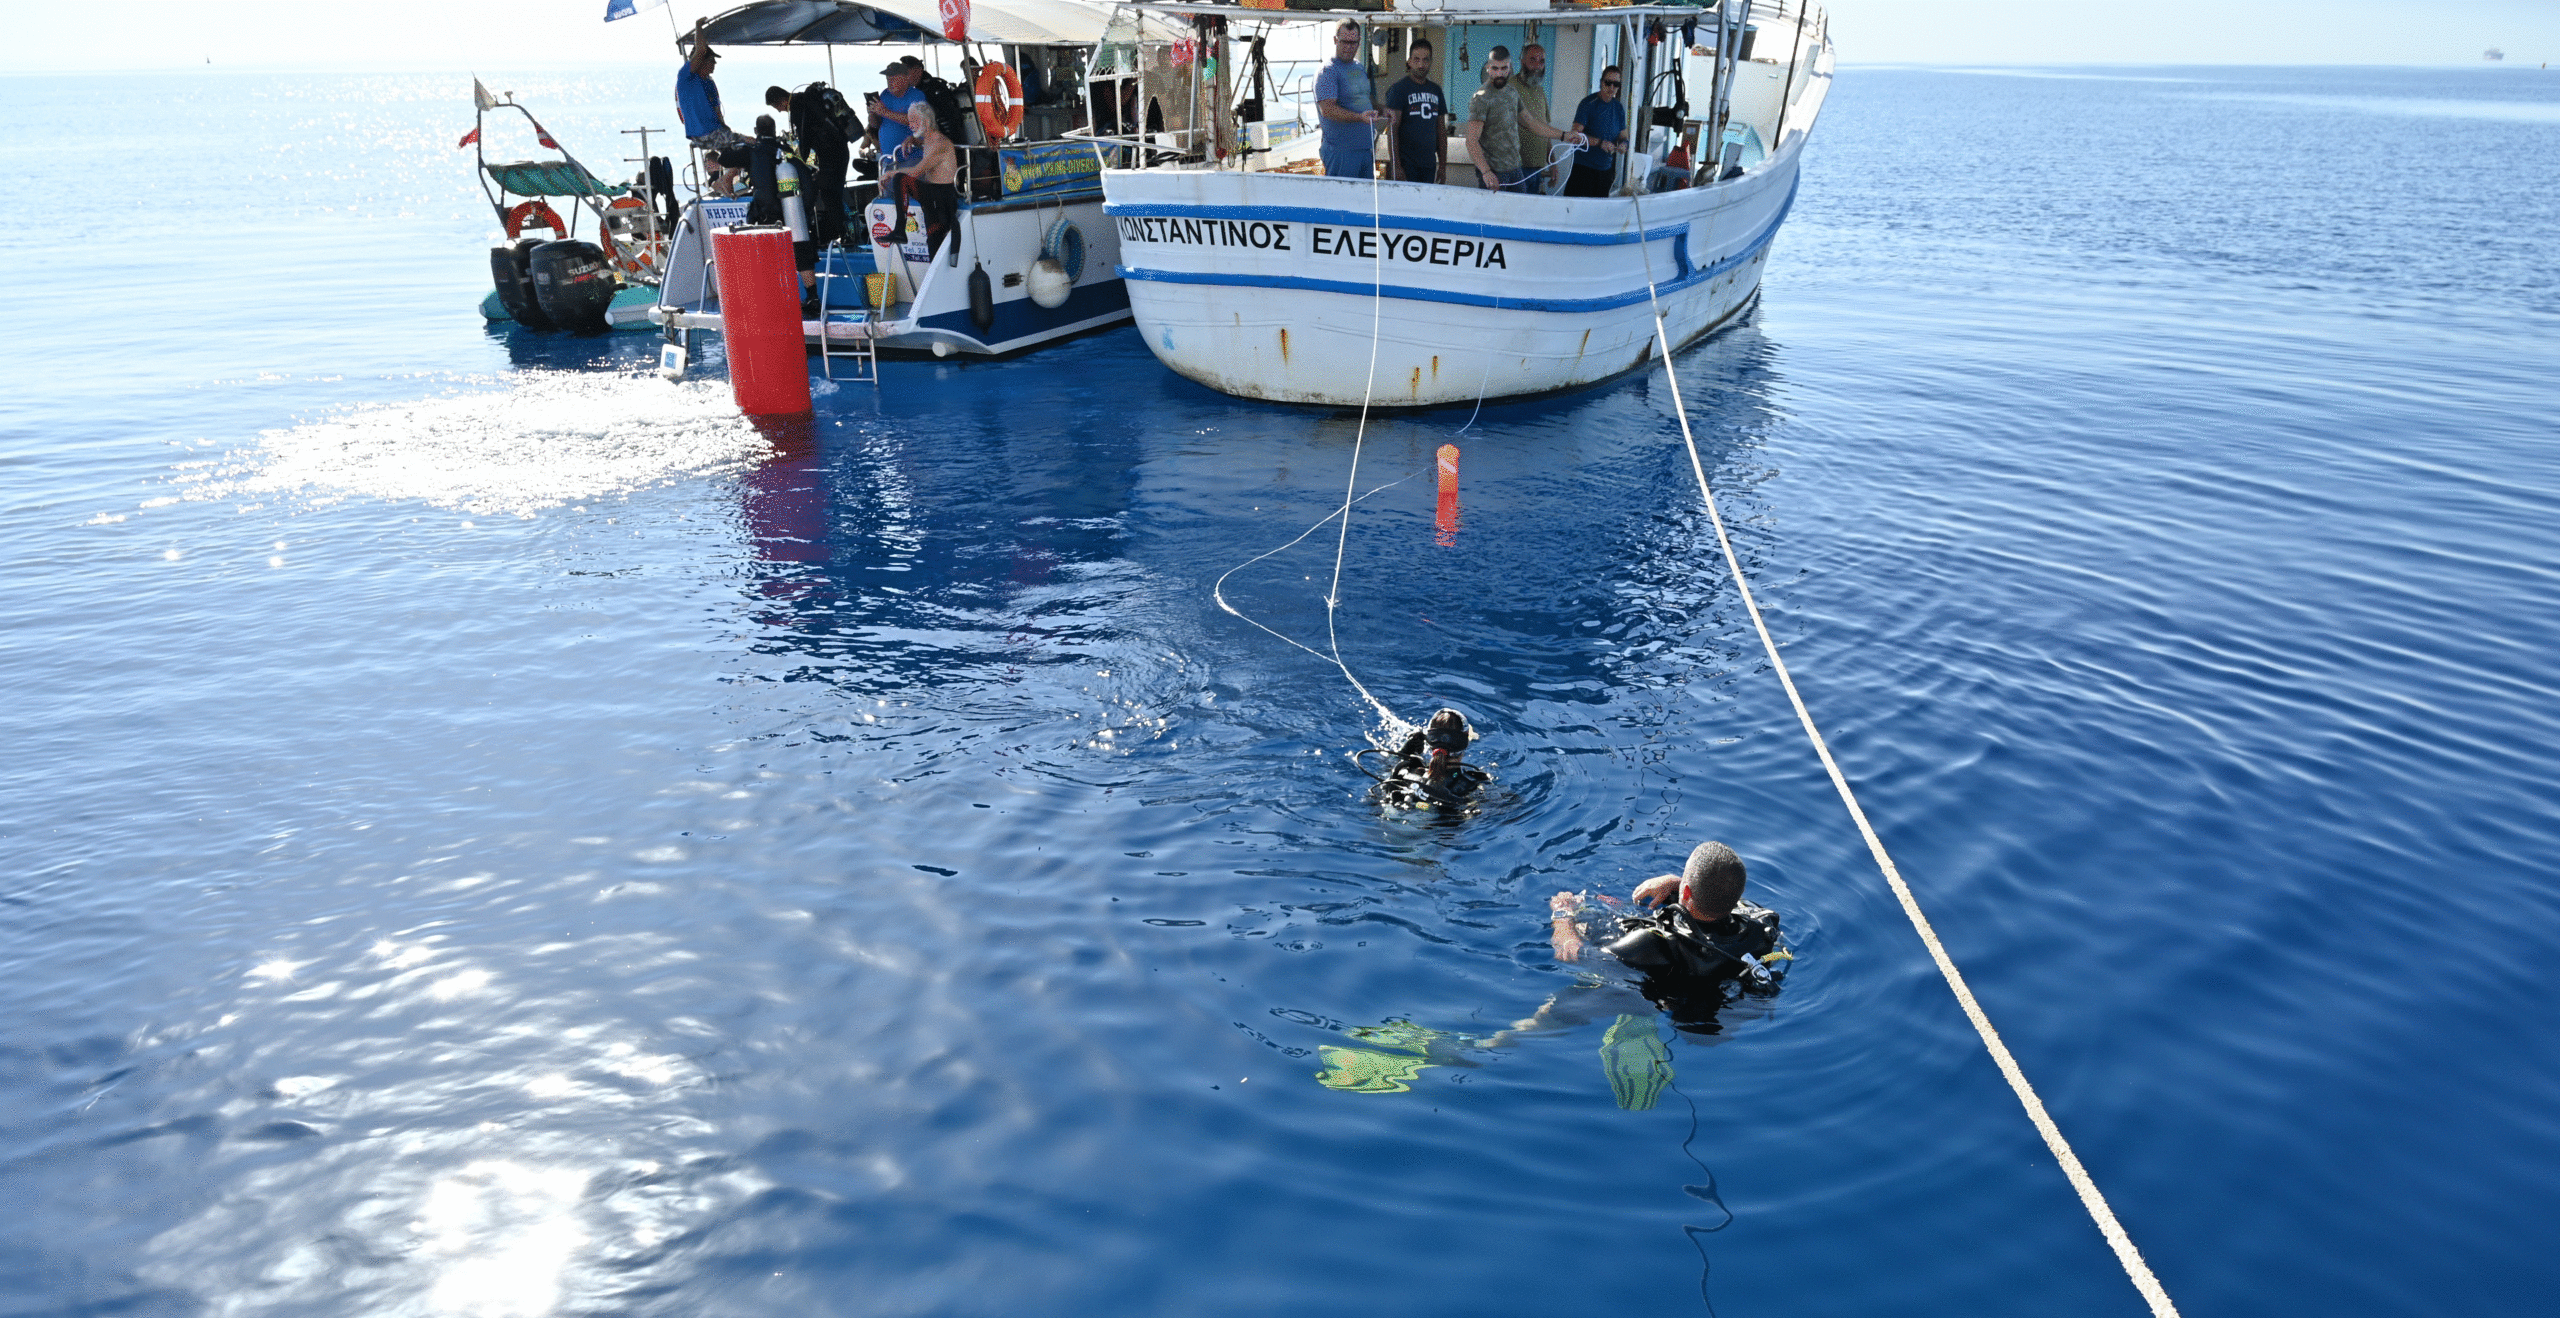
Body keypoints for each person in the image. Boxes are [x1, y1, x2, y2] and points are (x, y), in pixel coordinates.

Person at [1463, 47, 1582, 194]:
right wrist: (1486, 172)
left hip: (1515, 170)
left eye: (1504, 68)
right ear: (1488, 68)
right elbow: (1471, 141)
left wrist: (1564, 135)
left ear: (1510, 67)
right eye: (1495, 68)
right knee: (1497, 216)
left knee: (1521, 213)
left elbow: (1531, 122)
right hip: (1494, 173)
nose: (1499, 73)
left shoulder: (1512, 92)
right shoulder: (1481, 98)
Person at [1363, 708, 1490, 809]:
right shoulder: (1472, 783)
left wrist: (1404, 752)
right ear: (1464, 744)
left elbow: (1383, 781)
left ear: (1429, 742)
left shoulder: (1406, 770)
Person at [882, 105, 958, 257]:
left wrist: (890, 173)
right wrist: (912, 139)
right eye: (910, 121)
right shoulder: (928, 140)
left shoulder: (940, 144)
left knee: (935, 242)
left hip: (942, 197)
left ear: (927, 122)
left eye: (914, 120)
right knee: (901, 180)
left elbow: (916, 172)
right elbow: (922, 142)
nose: (911, 125)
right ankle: (899, 230)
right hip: (930, 193)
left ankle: (900, 230)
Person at [1314, 21, 1387, 179]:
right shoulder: (1327, 71)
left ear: (1359, 41)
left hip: (1365, 150)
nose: (1348, 47)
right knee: (1341, 202)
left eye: (1353, 42)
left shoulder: (1358, 67)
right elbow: (1327, 109)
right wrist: (1359, 118)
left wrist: (1382, 108)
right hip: (1341, 153)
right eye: (1344, 42)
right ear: (1335, 40)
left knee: (1364, 201)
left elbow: (1364, 96)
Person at [1381, 37, 1446, 184]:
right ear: (1409, 61)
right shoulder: (1398, 90)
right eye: (1416, 60)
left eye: (1425, 60)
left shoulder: (1436, 91)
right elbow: (1392, 130)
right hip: (1406, 165)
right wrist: (1396, 166)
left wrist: (1442, 167)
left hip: (1429, 165)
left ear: (1430, 62)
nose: (1421, 65)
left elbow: (1441, 130)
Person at [676, 19, 743, 150]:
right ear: (701, 62)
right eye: (712, 61)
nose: (714, 64)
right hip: (703, 134)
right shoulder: (686, 77)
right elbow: (701, 50)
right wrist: (698, 26)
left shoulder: (709, 83)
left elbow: (717, 112)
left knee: (741, 152)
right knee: (747, 143)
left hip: (716, 132)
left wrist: (726, 128)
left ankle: (732, 170)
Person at [1564, 63, 1630, 197]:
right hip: (1583, 170)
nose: (1612, 87)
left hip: (1605, 172)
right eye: (1608, 82)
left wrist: (1624, 144)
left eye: (1616, 84)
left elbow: (1624, 136)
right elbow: (1575, 136)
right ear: (1601, 82)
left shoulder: (1619, 108)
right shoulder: (1588, 104)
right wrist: (1600, 143)